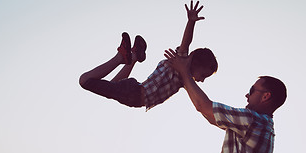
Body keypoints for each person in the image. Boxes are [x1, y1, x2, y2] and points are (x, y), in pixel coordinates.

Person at [79, 1, 218, 111]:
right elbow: (186, 42)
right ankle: (120, 58)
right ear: (197, 62)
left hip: (135, 89)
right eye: (204, 75)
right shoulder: (181, 62)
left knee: (112, 85)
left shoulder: (184, 77)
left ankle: (133, 58)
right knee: (84, 80)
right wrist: (191, 22)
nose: (202, 80)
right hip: (134, 94)